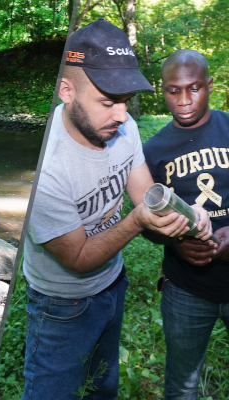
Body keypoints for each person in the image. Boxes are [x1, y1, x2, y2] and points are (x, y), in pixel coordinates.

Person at [20, 20, 210, 398]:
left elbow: (145, 194)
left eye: (124, 101)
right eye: (108, 102)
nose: (122, 115)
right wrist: (138, 220)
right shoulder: (47, 167)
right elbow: (77, 257)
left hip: (113, 283)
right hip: (60, 304)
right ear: (66, 91)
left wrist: (187, 216)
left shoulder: (122, 128)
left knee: (102, 387)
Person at [141, 49, 229, 399]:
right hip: (186, 289)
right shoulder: (153, 150)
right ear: (161, 89)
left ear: (209, 84)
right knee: (181, 384)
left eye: (194, 88)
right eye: (173, 90)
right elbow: (146, 223)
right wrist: (176, 242)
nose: (184, 100)